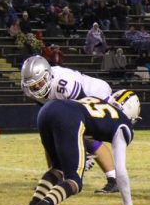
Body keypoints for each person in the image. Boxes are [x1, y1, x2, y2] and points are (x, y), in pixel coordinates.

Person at [20, 91, 140, 205]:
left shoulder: (97, 100)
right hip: (69, 118)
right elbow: (120, 170)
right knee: (74, 181)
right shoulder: (123, 123)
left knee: (58, 168)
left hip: (47, 109)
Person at [20, 55, 120, 193]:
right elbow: (46, 108)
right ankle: (57, 175)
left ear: (48, 75)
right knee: (50, 138)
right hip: (65, 103)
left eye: (40, 83)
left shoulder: (64, 83)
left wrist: (82, 148)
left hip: (94, 95)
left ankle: (114, 179)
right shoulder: (29, 88)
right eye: (32, 85)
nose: (36, 87)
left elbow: (82, 109)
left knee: (89, 139)